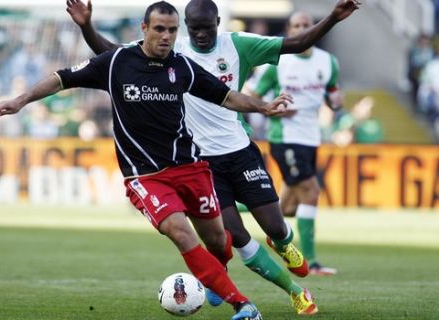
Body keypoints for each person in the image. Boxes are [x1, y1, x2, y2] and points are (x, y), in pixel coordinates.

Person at [0, 2, 294, 319]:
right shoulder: (118, 62)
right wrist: (20, 100)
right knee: (180, 232)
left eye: (172, 30)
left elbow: (227, 96)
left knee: (218, 242)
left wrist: (263, 107)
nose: (166, 36)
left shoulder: (183, 67)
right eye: (159, 29)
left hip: (190, 168)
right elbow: (63, 78)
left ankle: (217, 278)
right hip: (146, 177)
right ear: (144, 28)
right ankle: (244, 306)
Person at [66, 0, 360, 314]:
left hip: (240, 150)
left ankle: (282, 242)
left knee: (274, 225)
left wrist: (332, 17)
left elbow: (298, 43)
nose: (201, 35)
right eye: (194, 29)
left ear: (219, 22)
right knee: (236, 236)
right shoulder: (170, 49)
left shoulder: (239, 45)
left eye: (207, 28)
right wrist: (86, 26)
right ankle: (294, 292)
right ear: (186, 27)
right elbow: (110, 52)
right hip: (201, 162)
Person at [250, 11, 346, 275]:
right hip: (284, 137)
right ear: (289, 31)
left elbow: (334, 92)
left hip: (311, 137)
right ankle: (312, 262)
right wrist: (271, 108)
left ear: (313, 28)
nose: (302, 29)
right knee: (311, 191)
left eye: (306, 25)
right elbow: (251, 96)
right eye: (296, 26)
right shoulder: (278, 64)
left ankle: (234, 209)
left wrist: (336, 102)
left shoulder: (328, 62)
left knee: (289, 206)